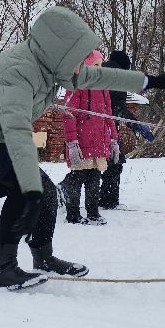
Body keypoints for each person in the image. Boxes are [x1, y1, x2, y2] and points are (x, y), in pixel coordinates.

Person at [0, 5, 165, 290]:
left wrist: (151, 81)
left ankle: (44, 257)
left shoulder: (50, 67)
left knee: (46, 190)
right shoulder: (20, 71)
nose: (80, 65)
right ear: (59, 52)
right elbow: (16, 130)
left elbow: (98, 77)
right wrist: (30, 187)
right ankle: (4, 269)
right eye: (77, 58)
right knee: (26, 187)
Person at [58, 50, 118, 224]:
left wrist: (113, 138)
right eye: (95, 65)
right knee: (77, 178)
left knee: (94, 178)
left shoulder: (103, 88)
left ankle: (93, 212)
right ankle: (73, 213)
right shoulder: (76, 86)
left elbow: (109, 115)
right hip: (82, 141)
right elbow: (68, 115)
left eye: (101, 65)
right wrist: (72, 142)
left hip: (99, 142)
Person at [98, 50, 153, 210]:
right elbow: (118, 109)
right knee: (113, 163)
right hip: (105, 129)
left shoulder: (104, 73)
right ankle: (108, 201)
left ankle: (107, 200)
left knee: (97, 165)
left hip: (100, 127)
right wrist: (137, 125)